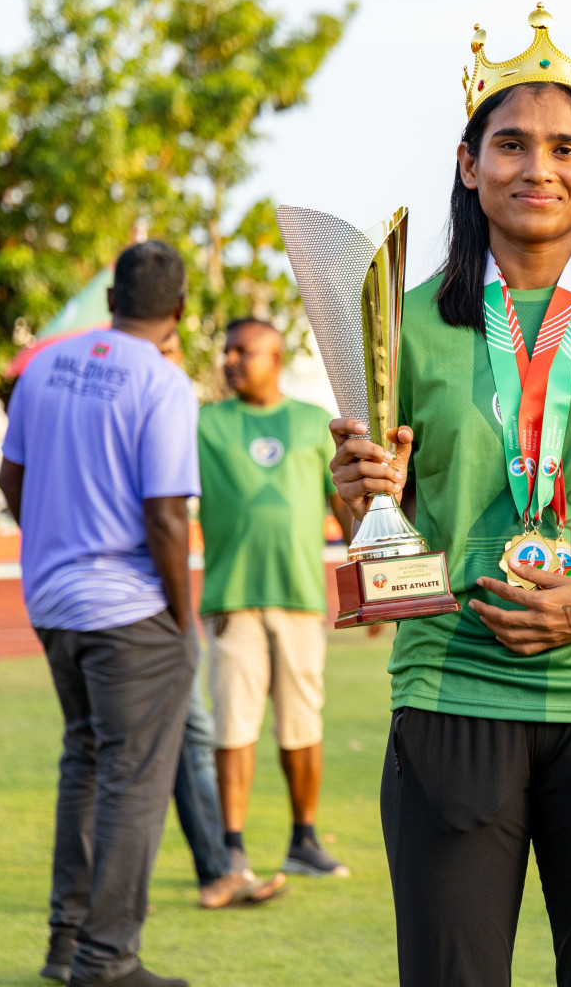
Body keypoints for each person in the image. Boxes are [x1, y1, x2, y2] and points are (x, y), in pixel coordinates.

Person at [328, 6, 571, 986]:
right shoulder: (403, 326)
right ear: (469, 166)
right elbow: (384, 545)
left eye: (563, 148)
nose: (535, 168)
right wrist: (356, 501)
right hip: (450, 689)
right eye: (509, 144)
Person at [0, 241, 198, 987]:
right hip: (130, 611)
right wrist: (183, 618)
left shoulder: (45, 364)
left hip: (52, 601)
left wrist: (58, 543)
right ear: (177, 311)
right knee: (133, 780)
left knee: (84, 761)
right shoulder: (163, 382)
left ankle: (66, 946)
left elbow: (10, 478)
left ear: (111, 297)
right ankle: (107, 959)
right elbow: (168, 516)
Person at [197, 317, 353, 879]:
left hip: (299, 600)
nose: (232, 360)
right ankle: (232, 848)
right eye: (227, 351)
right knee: (233, 727)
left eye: (245, 351)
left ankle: (303, 841)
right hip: (231, 600)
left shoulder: (313, 423)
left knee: (302, 725)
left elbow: (343, 511)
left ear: (276, 356)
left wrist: (371, 588)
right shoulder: (203, 424)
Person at [159, 325, 291, 908]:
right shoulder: (191, 418)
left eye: (244, 351)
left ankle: (220, 867)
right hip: (156, 605)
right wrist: (176, 608)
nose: (231, 362)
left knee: (125, 746)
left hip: (96, 600)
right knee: (183, 738)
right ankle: (219, 867)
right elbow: (164, 513)